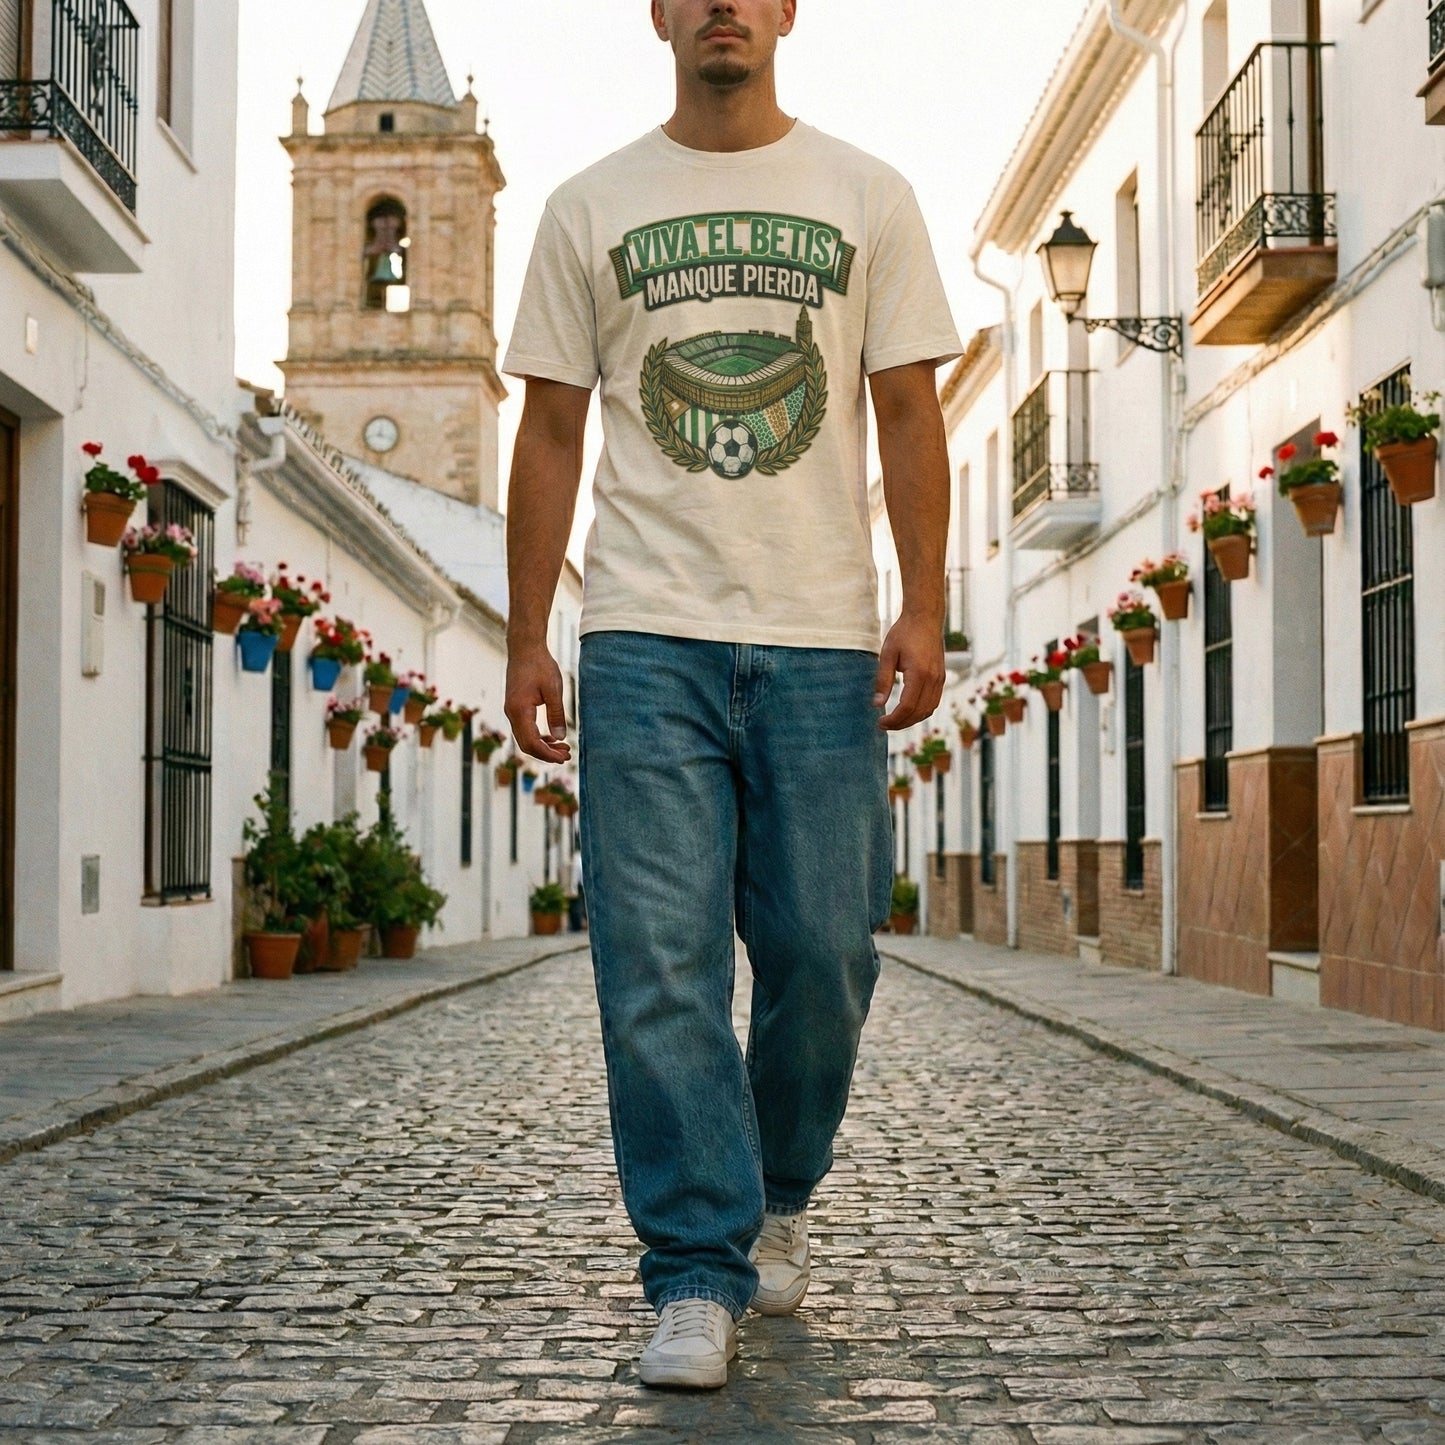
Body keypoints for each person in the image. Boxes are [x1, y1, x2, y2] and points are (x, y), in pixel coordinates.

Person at [503, 0, 959, 1391]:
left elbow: (907, 410)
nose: (722, 5)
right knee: (658, 963)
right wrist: (528, 636)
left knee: (825, 951)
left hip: (820, 637)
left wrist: (922, 602)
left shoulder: (867, 194)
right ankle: (697, 1269)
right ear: (657, 13)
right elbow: (551, 427)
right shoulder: (589, 206)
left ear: (785, 12)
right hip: (644, 636)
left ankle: (775, 1192)